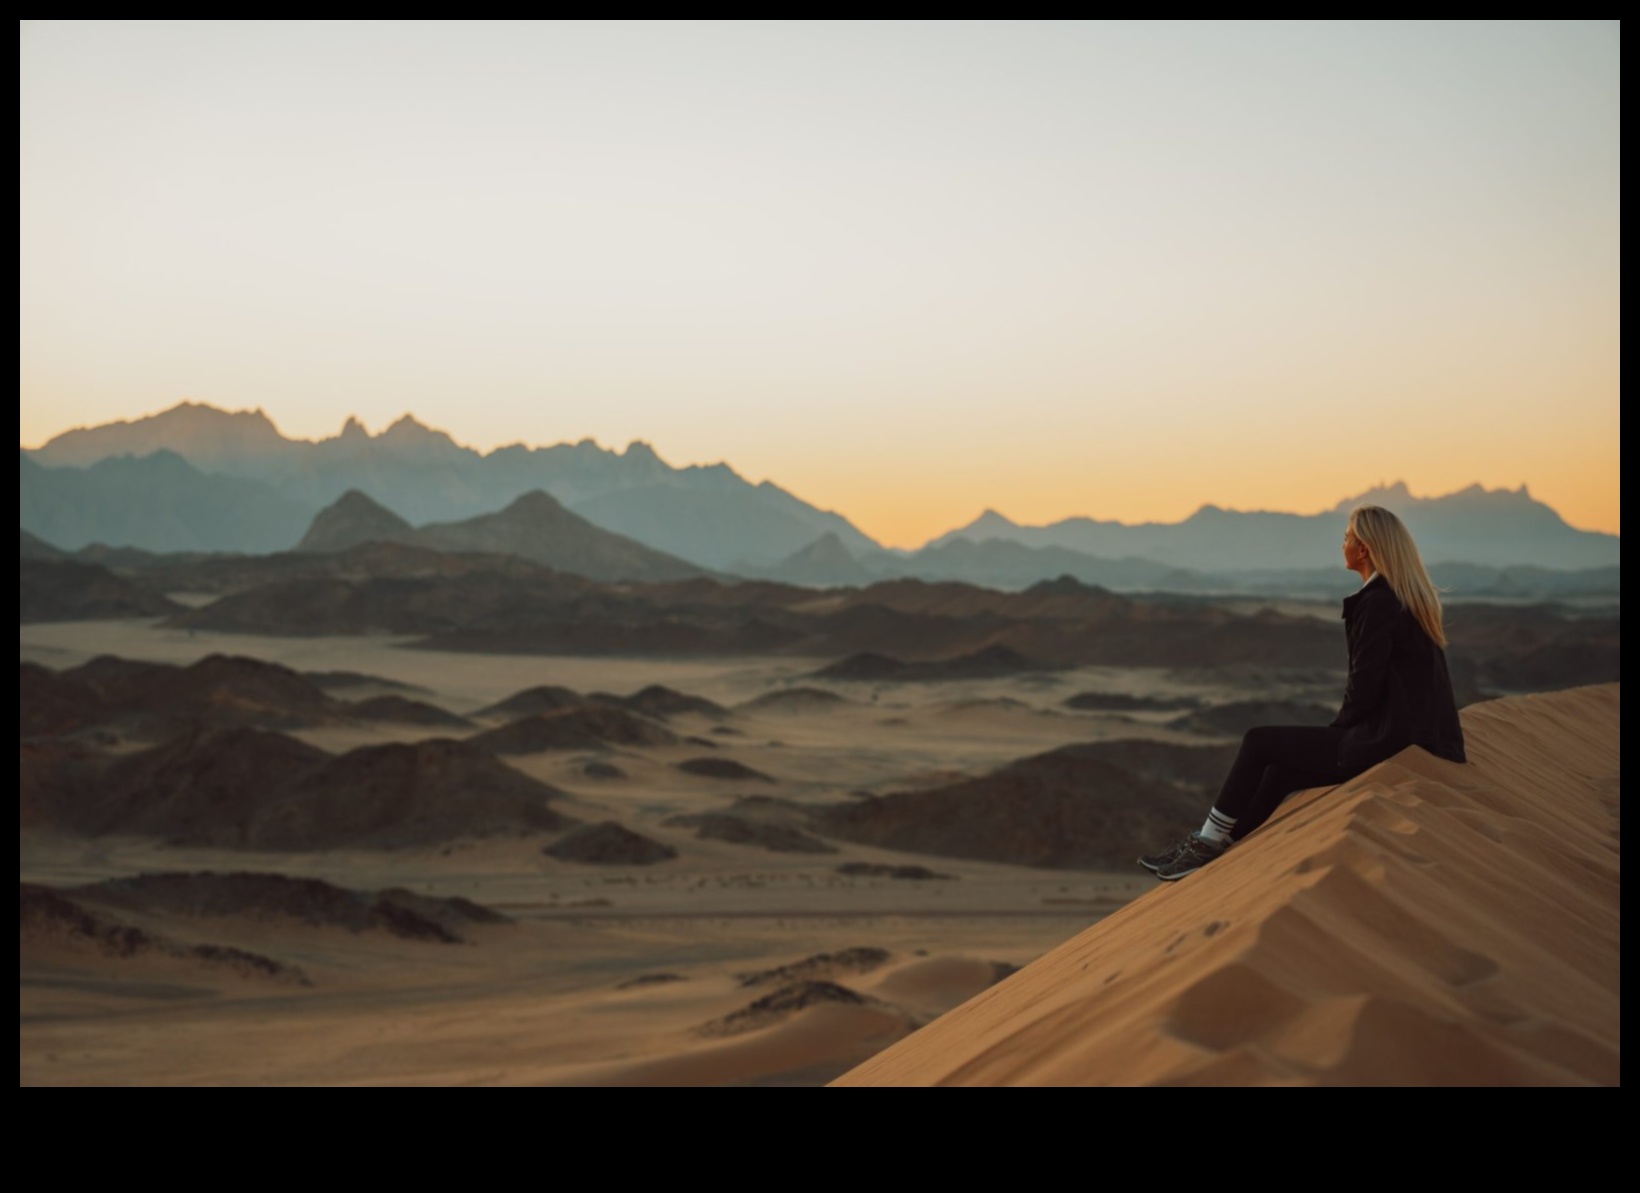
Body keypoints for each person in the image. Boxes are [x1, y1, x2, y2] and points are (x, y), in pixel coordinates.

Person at [1138, 504, 1467, 881]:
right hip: (1416, 738)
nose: (1341, 543)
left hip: (1388, 741)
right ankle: (1216, 844)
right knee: (1281, 771)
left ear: (1363, 550)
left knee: (1259, 741)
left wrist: (1341, 731)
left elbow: (1365, 683)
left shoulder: (1378, 602)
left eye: (1347, 537)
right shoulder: (1406, 598)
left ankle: (1205, 843)